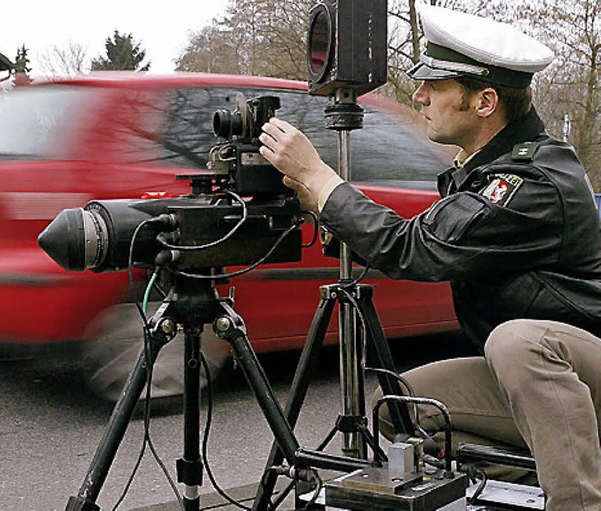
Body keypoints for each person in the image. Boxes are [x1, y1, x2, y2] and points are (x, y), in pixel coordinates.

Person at [258, 4, 601, 510]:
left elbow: (417, 249)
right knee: (400, 409)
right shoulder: (480, 170)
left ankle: (578, 501)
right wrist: (327, 210)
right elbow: (421, 237)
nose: (418, 97)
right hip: (537, 383)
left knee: (516, 341)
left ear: (484, 101)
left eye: (434, 87)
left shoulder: (531, 182)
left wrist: (322, 179)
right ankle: (565, 465)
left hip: (576, 368)